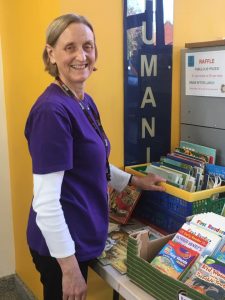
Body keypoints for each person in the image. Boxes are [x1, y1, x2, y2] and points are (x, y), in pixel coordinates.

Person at [24, 13, 166, 300]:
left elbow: (93, 163)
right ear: (51, 54)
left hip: (81, 236)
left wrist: (136, 183)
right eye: (70, 47)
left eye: (88, 46)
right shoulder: (52, 111)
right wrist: (70, 269)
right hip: (60, 249)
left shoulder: (82, 100)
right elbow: (46, 203)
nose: (81, 55)